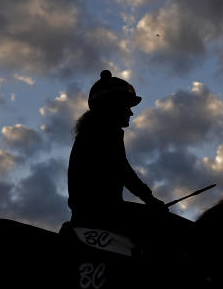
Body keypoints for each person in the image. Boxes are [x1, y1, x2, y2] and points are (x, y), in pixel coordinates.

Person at [67, 70, 165, 239]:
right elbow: (121, 168)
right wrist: (150, 199)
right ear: (114, 105)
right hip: (101, 217)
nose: (131, 112)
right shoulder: (104, 131)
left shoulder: (92, 131)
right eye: (127, 106)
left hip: (93, 215)